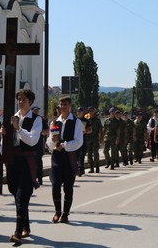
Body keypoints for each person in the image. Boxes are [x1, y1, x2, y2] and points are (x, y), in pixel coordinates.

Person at [1, 88, 42, 244]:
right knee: (14, 191)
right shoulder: (12, 118)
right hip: (13, 161)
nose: (20, 102)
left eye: (23, 99)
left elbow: (32, 140)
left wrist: (18, 128)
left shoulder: (36, 120)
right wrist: (3, 134)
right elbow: (5, 145)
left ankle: (18, 231)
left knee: (21, 196)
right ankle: (26, 225)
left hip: (27, 161)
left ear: (30, 102)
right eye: (18, 99)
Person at [47, 95, 83, 224]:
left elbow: (78, 141)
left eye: (65, 105)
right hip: (56, 157)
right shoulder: (54, 122)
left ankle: (65, 213)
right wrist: (52, 143)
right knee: (55, 185)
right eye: (61, 105)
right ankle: (57, 211)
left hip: (69, 157)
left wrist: (64, 145)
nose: (63, 107)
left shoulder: (76, 122)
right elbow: (49, 142)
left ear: (70, 106)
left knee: (68, 187)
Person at [75, 107, 91, 176]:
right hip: (75, 141)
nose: (79, 113)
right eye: (78, 111)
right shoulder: (74, 120)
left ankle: (80, 170)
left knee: (82, 156)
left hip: (83, 140)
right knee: (76, 156)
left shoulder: (86, 121)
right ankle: (80, 169)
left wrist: (85, 131)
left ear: (83, 112)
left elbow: (90, 130)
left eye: (80, 111)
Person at [86, 106, 102, 173]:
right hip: (88, 139)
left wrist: (100, 139)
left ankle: (97, 167)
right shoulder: (87, 120)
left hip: (95, 139)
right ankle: (91, 168)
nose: (91, 112)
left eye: (92, 111)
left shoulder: (97, 120)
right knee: (89, 154)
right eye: (90, 111)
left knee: (95, 153)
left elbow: (101, 130)